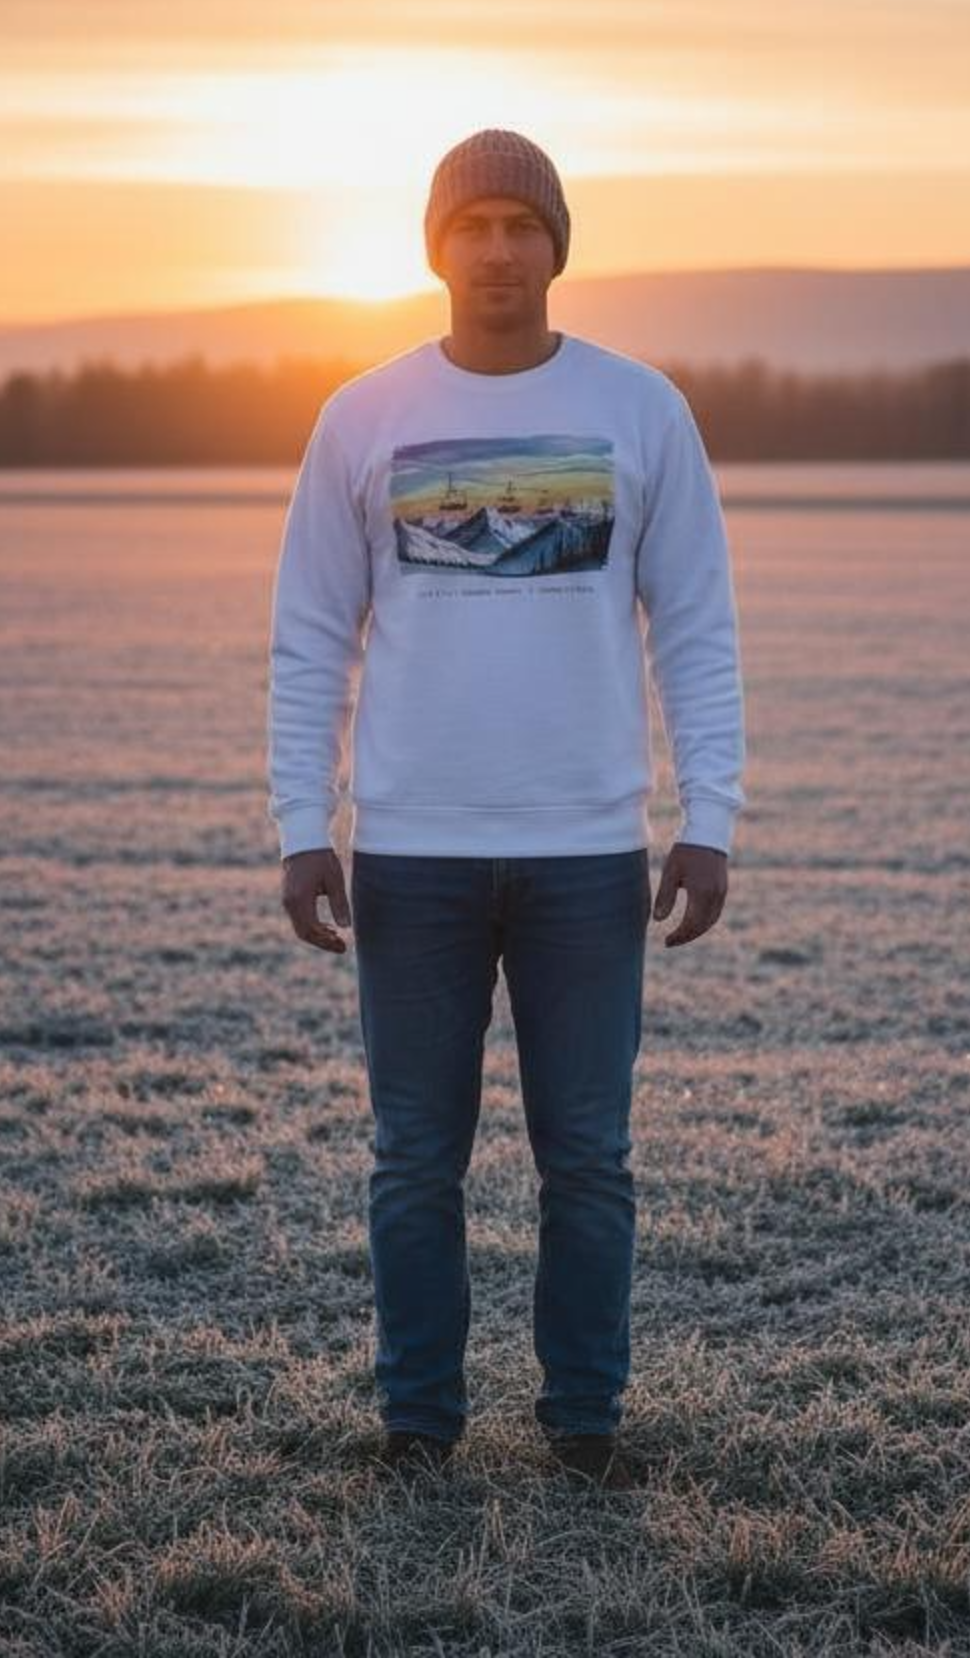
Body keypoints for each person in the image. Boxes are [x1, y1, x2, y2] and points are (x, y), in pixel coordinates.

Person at [266, 127, 746, 1490]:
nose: (495, 252)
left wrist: (708, 816)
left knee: (586, 1161)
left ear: (557, 247)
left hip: (589, 856)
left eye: (520, 227)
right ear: (436, 248)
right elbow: (310, 635)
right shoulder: (362, 416)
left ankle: (583, 1426)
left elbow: (697, 626)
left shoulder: (641, 408)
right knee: (414, 1161)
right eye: (470, 227)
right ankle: (419, 1426)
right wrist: (305, 824)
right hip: (412, 856)